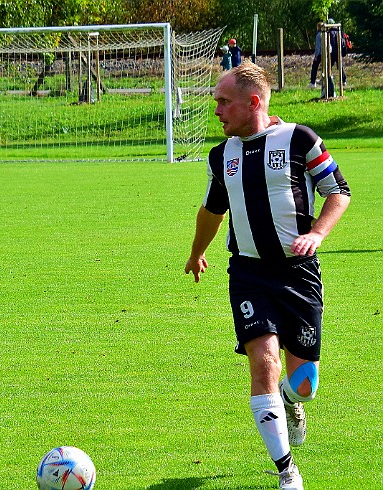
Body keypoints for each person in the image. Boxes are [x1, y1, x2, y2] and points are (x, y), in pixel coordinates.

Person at [184, 62, 350, 490]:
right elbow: (212, 211)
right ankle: (287, 472)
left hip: (298, 275)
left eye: (224, 102)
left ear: (253, 102)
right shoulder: (221, 156)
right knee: (263, 364)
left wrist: (316, 232)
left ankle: (293, 402)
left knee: (304, 383)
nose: (217, 110)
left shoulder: (300, 139)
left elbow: (338, 192)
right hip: (248, 273)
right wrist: (197, 252)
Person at [309, 22, 324, 88]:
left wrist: (316, 56)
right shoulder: (325, 34)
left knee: (314, 67)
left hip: (319, 54)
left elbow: (317, 47)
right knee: (324, 68)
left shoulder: (318, 35)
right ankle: (323, 80)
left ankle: (312, 82)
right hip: (325, 54)